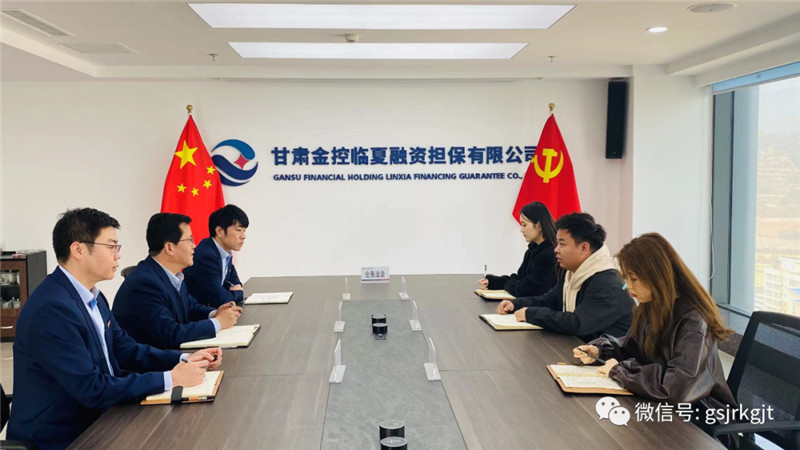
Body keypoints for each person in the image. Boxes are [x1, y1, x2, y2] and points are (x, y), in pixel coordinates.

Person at [8, 208, 222, 449]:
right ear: (78, 250)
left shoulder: (93, 297)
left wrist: (183, 358)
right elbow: (92, 389)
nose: (118, 255)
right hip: (62, 437)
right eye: (111, 247)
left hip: (101, 417)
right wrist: (170, 378)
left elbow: (125, 349)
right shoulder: (52, 309)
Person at [573, 232, 736, 411]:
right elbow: (631, 349)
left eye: (633, 278)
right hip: (664, 407)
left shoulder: (694, 320)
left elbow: (676, 388)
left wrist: (619, 371)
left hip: (701, 416)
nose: (628, 286)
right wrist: (601, 351)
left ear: (657, 275)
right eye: (626, 278)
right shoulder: (650, 306)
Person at [113, 213, 242, 350]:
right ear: (170, 248)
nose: (194, 246)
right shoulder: (145, 283)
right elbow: (170, 334)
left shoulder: (172, 275)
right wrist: (218, 323)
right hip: (152, 359)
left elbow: (190, 307)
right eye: (190, 240)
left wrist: (214, 313)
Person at [496, 212, 633, 341]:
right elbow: (551, 300)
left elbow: (578, 323)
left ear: (584, 248)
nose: (556, 249)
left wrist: (530, 314)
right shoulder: (573, 271)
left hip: (608, 356)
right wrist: (516, 304)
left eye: (562, 244)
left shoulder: (608, 283)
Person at [478, 201, 558, 297]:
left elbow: (528, 289)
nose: (521, 230)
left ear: (539, 226)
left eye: (524, 225)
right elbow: (520, 279)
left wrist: (508, 285)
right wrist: (492, 282)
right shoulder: (532, 251)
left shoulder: (549, 254)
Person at [183, 204, 248, 307]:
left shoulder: (225, 252)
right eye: (238, 230)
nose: (243, 236)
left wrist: (234, 291)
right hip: (196, 313)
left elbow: (235, 283)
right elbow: (220, 299)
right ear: (219, 231)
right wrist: (238, 293)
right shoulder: (206, 255)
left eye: (244, 231)